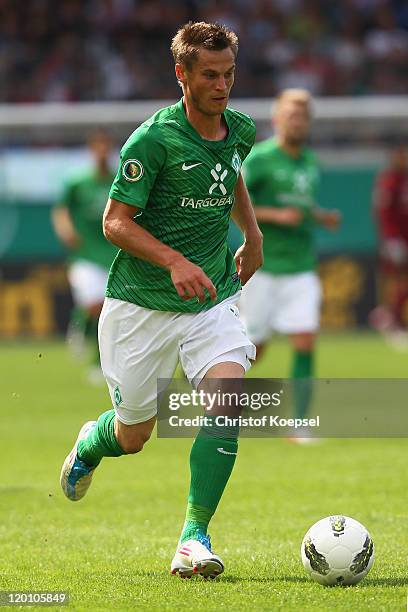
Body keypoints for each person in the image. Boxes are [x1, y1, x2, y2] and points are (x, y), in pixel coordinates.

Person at [60, 21, 263, 579]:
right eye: (210, 75)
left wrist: (253, 233)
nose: (222, 86)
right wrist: (172, 260)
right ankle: (91, 443)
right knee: (134, 434)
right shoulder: (153, 139)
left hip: (211, 297)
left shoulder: (239, 128)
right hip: (140, 305)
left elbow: (233, 173)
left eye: (228, 74)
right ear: (182, 74)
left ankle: (193, 537)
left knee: (228, 398)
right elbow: (114, 224)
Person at [241, 89, 340, 441]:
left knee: (305, 339)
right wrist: (275, 215)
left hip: (300, 266)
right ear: (277, 119)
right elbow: (235, 203)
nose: (297, 121)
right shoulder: (260, 159)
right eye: (291, 115)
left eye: (303, 116)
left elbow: (302, 205)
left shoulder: (310, 162)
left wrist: (320, 216)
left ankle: (298, 423)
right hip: (264, 267)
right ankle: (211, 388)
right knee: (255, 348)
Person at [52, 130, 117, 380]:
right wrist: (66, 230)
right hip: (85, 254)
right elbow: (61, 210)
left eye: (106, 146)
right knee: (94, 304)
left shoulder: (117, 180)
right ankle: (79, 323)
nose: (102, 151)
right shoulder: (77, 182)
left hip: (111, 253)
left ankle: (99, 362)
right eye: (97, 146)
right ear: (92, 150)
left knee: (107, 310)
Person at [370, 145, 408, 347]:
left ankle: (388, 315)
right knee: (395, 281)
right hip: (395, 241)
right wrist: (391, 238)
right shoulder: (389, 181)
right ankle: (391, 319)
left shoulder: (404, 179)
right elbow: (383, 213)